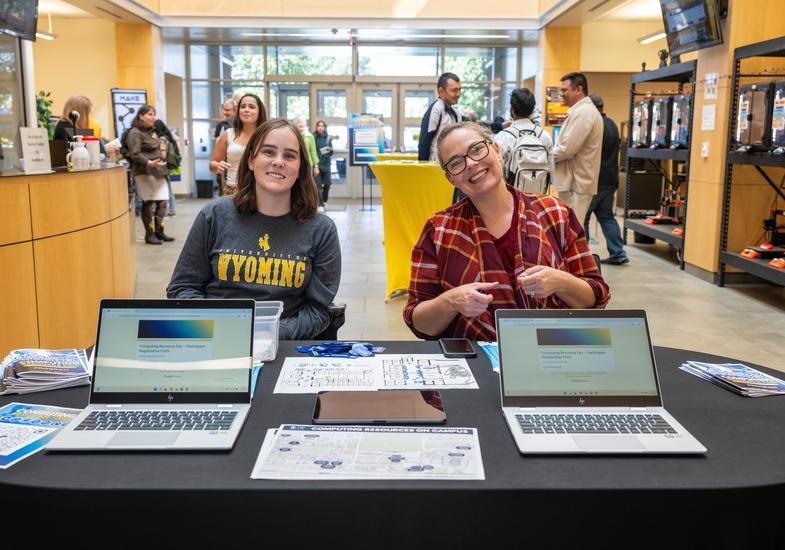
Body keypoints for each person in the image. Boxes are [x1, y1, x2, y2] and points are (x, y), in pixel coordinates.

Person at [403, 122, 609, 341]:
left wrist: (559, 282)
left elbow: (596, 297)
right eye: (455, 163)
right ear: (450, 179)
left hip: (553, 354)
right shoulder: (439, 230)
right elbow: (419, 321)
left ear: (497, 150)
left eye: (476, 149)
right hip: (476, 363)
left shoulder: (555, 213)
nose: (471, 163)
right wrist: (450, 302)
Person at [167, 118, 341, 340]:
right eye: (268, 152)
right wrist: (215, 330)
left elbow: (318, 309)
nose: (278, 162)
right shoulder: (214, 216)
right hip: (216, 340)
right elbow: (183, 287)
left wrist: (268, 336)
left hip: (282, 345)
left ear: (300, 169)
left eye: (289, 155)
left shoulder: (321, 229)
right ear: (251, 160)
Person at [552, 72, 604, 227]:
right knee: (570, 229)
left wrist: (543, 156)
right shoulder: (580, 112)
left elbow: (567, 149)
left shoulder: (584, 114)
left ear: (578, 90)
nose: (561, 94)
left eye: (564, 90)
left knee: (571, 231)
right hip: (574, 183)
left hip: (576, 184)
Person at [585, 95, 629, 266]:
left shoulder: (595, 125)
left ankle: (583, 256)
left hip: (596, 180)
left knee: (584, 218)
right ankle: (618, 252)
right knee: (607, 216)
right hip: (611, 178)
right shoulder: (612, 124)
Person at [125, 104, 173, 245]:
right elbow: (135, 153)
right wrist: (149, 163)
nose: (153, 117)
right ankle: (149, 234)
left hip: (158, 171)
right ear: (141, 116)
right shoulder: (135, 132)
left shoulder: (152, 131)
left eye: (154, 114)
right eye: (150, 114)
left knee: (163, 202)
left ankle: (160, 231)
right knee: (148, 202)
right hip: (144, 171)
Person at [493, 88, 553, 194]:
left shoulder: (503, 136)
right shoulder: (544, 136)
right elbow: (550, 169)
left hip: (512, 196)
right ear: (532, 110)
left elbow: (497, 172)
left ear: (512, 109)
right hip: (538, 196)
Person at [210, 93, 267, 195]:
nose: (246, 110)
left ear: (259, 111)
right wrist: (218, 165)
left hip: (259, 190)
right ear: (238, 111)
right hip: (232, 189)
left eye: (252, 107)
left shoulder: (267, 135)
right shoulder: (228, 134)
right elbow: (212, 164)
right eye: (243, 106)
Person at [417, 72, 462, 162]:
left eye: (459, 90)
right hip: (434, 168)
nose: (458, 94)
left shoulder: (455, 113)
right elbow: (424, 143)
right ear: (441, 91)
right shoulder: (436, 110)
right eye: (454, 90)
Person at [154, 118, 181, 216]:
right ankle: (171, 209)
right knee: (168, 187)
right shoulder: (169, 137)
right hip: (167, 166)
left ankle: (171, 209)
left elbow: (163, 155)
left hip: (163, 167)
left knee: (167, 188)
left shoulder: (162, 139)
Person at [313, 120, 334, 208]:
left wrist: (330, 151)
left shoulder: (328, 138)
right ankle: (320, 204)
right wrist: (315, 164)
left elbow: (331, 151)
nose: (320, 127)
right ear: (316, 127)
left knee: (328, 183)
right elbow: (312, 151)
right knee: (318, 185)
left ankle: (324, 200)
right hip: (317, 164)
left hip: (326, 164)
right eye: (319, 126)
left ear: (325, 127)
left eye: (322, 126)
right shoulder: (313, 137)